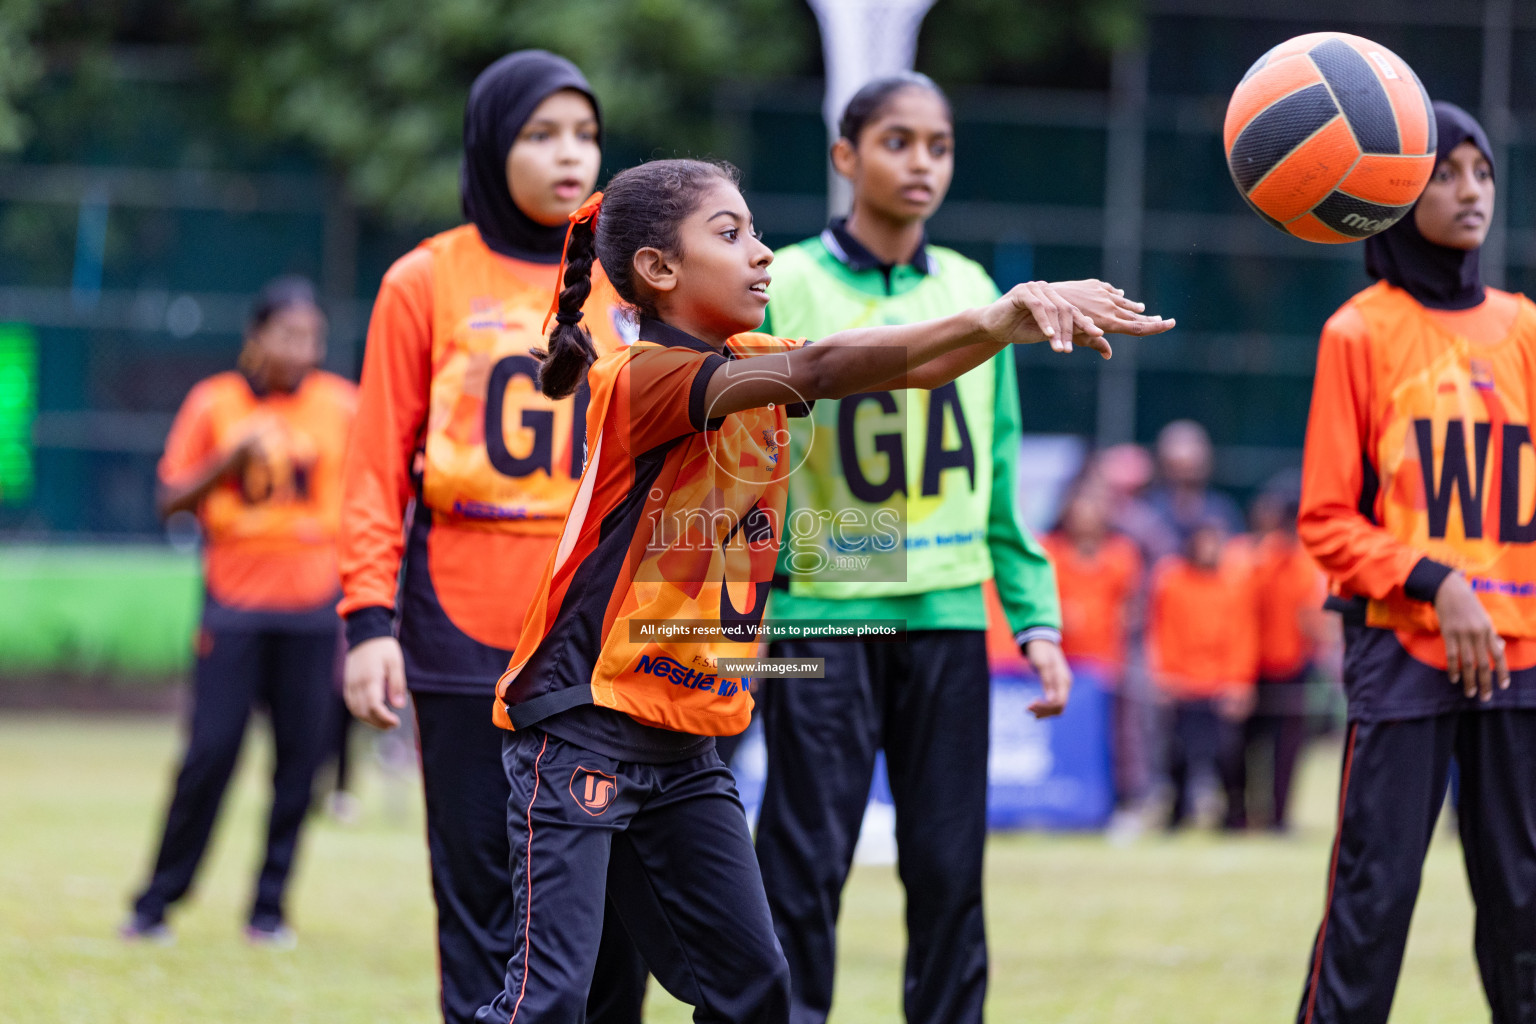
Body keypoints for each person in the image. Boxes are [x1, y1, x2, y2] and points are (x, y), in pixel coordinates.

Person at [476, 157, 1171, 1023]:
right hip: (580, 726)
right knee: (547, 1004)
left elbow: (901, 367)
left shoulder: (752, 362)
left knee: (757, 991)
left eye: (757, 230)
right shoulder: (638, 378)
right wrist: (995, 316)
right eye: (730, 235)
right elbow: (825, 369)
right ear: (658, 270)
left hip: (685, 743)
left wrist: (1003, 322)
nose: (761, 253)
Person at [747, 73, 1070, 1024]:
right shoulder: (788, 281)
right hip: (819, 614)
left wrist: (1036, 615)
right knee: (800, 870)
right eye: (898, 141)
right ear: (845, 157)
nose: (922, 162)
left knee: (948, 878)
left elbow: (999, 477)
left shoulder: (976, 290)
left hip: (945, 618)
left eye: (938, 144)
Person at [337, 51, 643, 1024]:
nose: (570, 154)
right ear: (489, 144)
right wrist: (367, 622)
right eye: (541, 133)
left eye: (585, 134)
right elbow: (375, 468)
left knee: (614, 902)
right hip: (463, 632)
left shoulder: (635, 281)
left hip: (609, 635)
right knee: (483, 900)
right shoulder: (423, 280)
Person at [1293, 102, 1536, 1024]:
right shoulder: (1358, 332)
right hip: (1403, 653)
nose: (1470, 191)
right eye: (1445, 173)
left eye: (1480, 171)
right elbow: (1325, 519)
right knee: (1375, 899)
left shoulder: (1525, 329)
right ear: (1395, 193)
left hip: (1523, 661)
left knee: (1524, 903)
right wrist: (1438, 583)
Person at [122, 276, 356, 947]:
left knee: (300, 765)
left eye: (311, 336)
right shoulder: (215, 402)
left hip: (313, 610)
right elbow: (169, 499)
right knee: (210, 753)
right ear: (257, 337)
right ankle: (155, 901)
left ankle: (269, 908)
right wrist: (229, 457)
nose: (300, 348)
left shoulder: (341, 405)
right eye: (287, 334)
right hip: (234, 608)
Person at [1043, 469, 1144, 812]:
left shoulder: (1121, 554)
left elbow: (1133, 606)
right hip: (1060, 665)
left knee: (1117, 738)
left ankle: (1121, 803)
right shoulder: (1049, 552)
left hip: (1107, 664)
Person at [1146, 518, 1257, 830]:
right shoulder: (1173, 581)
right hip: (1183, 682)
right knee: (1177, 754)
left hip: (1221, 683)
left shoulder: (1235, 583)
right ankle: (1178, 813)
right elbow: (1164, 630)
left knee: (1228, 756)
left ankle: (1234, 815)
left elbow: (1242, 635)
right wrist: (1166, 675)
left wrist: (1238, 682)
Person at [1237, 477, 1325, 832]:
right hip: (1262, 664)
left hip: (1278, 665)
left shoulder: (1268, 557)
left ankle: (1265, 815)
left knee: (1273, 747)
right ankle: (1267, 815)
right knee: (1270, 747)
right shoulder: (1268, 558)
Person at [1144, 419, 1245, 546]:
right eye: (1180, 472)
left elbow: (1237, 553)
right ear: (1164, 466)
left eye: (1192, 473)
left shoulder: (1222, 510)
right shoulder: (1149, 510)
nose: (1185, 487)